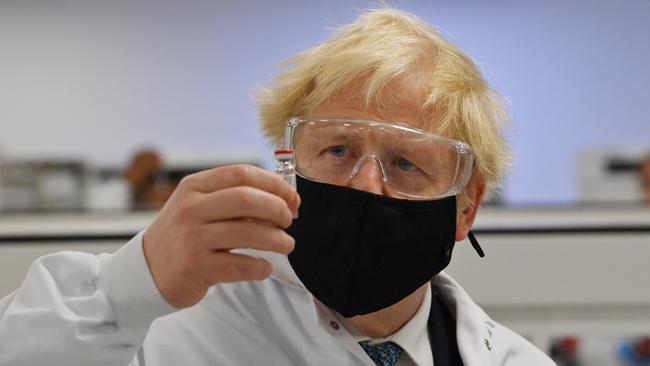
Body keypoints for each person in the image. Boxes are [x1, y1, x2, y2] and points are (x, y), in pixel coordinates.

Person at [0, 8, 555, 366]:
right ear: (289, 162)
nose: (364, 184)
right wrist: (131, 286)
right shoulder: (165, 325)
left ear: (465, 209)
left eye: (405, 163)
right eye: (337, 150)